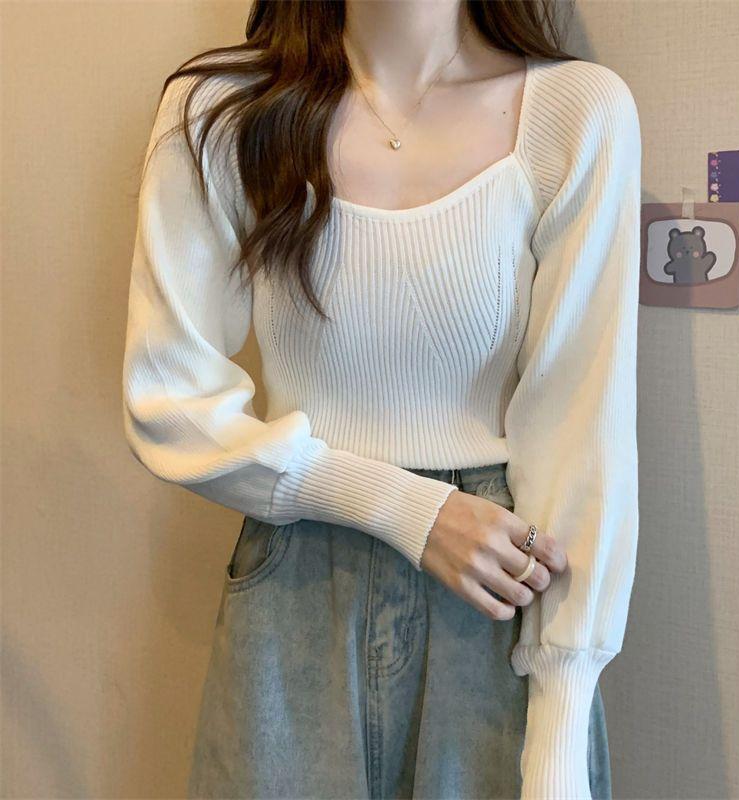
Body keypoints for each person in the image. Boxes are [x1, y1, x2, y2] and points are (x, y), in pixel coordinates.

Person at [122, 1, 641, 797]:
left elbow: (584, 425)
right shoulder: (221, 112)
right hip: (297, 570)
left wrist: (563, 709)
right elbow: (167, 398)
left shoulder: (575, 113)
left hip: (501, 583)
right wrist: (408, 509)